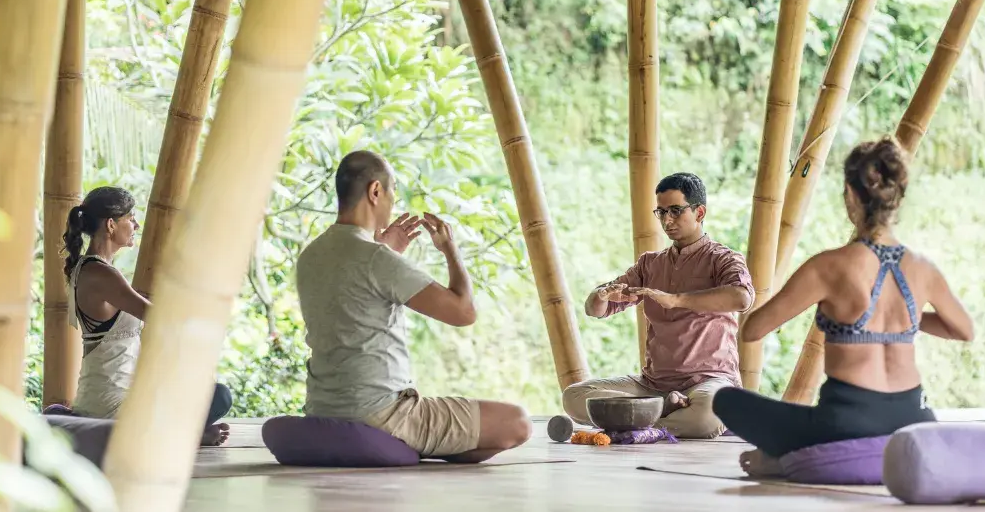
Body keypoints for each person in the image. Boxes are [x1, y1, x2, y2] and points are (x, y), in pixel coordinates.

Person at [712, 138, 975, 476]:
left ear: (851, 194)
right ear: (898, 196)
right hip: (913, 417)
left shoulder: (829, 266)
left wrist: (826, 308)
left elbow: (753, 330)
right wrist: (903, 319)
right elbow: (963, 330)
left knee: (725, 400)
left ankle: (790, 460)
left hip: (845, 422)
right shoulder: (922, 267)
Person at [296, 150, 531, 463]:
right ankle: (409, 445)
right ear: (375, 191)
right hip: (383, 414)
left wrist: (384, 250)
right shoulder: (376, 259)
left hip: (323, 409)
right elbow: (463, 313)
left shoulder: (311, 256)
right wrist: (450, 249)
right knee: (517, 422)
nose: (394, 200)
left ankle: (412, 449)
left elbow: (352, 296)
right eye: (393, 190)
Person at [562, 172, 754, 439]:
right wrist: (600, 296)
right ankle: (662, 410)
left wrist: (677, 300)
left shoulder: (723, 259)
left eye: (675, 211)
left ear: (700, 212)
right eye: (661, 212)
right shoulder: (650, 263)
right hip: (653, 386)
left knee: (705, 419)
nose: (667, 220)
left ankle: (633, 424)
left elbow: (742, 297)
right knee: (574, 396)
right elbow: (596, 309)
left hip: (708, 383)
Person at [64, 186, 233, 446]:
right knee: (218, 396)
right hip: (111, 406)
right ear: (111, 225)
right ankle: (185, 436)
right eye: (130, 219)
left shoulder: (90, 270)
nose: (137, 225)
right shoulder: (101, 273)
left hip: (107, 397)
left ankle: (183, 434)